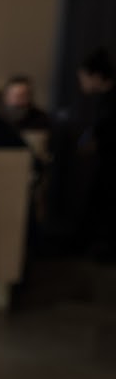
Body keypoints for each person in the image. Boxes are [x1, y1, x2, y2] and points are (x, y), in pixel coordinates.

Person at [74, 49, 116, 258]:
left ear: (97, 76)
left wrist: (94, 144)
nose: (82, 84)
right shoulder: (105, 101)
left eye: (84, 78)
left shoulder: (110, 102)